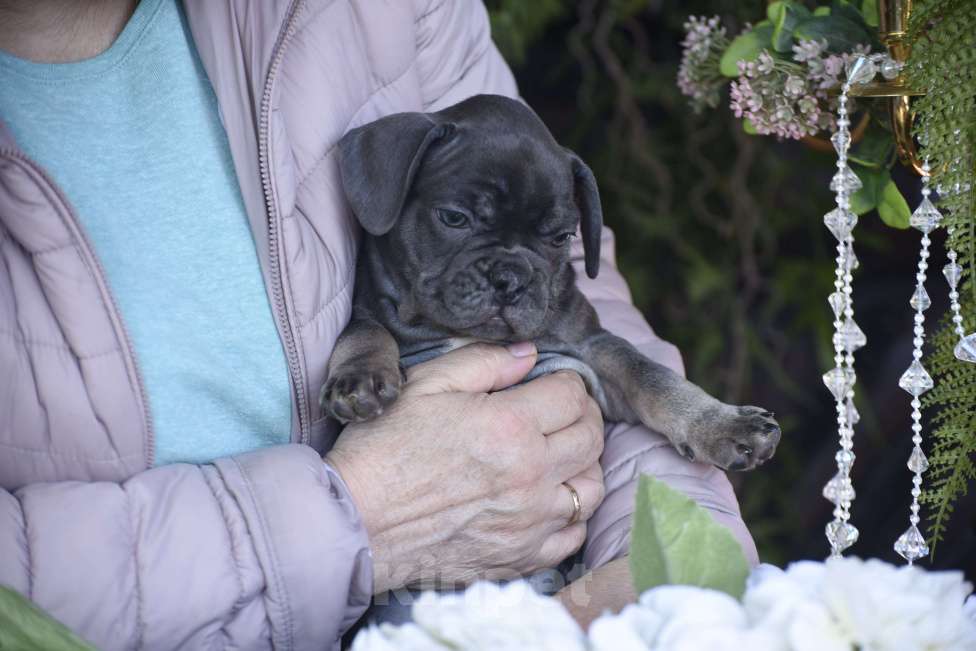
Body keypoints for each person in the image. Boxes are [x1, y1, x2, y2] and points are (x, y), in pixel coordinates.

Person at [0, 0, 758, 648]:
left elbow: (608, 346)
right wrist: (362, 512)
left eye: (551, 241)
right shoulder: (388, 288)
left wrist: (658, 570)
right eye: (461, 220)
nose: (509, 272)